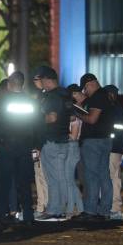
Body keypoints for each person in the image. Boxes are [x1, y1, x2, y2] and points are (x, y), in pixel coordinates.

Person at [0, 72, 39, 229]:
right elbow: (36, 126)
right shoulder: (31, 102)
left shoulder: (2, 102)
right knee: (24, 183)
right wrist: (36, 145)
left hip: (7, 146)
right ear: (22, 84)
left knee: (4, 183)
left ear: (10, 84)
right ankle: (28, 217)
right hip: (24, 146)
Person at [74, 73, 114, 222]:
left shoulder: (98, 97)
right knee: (104, 176)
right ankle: (105, 211)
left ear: (90, 84)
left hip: (93, 142)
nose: (85, 92)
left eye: (85, 89)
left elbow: (91, 119)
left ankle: (90, 210)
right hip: (104, 140)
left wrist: (77, 114)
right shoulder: (106, 96)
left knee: (91, 177)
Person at [35, 67, 72, 221]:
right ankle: (60, 210)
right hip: (63, 139)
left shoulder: (52, 96)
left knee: (52, 178)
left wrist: (36, 120)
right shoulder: (65, 95)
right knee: (61, 177)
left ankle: (53, 211)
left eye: (41, 80)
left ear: (47, 79)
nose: (41, 83)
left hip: (52, 140)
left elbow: (52, 118)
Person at [105, 85, 123, 220]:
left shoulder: (114, 109)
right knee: (110, 178)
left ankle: (115, 209)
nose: (112, 96)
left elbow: (116, 130)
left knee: (113, 178)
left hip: (113, 148)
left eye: (113, 93)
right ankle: (110, 208)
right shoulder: (116, 108)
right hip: (113, 148)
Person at [31, 70, 49, 214]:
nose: (34, 82)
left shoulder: (45, 97)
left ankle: (45, 206)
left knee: (43, 176)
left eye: (37, 79)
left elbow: (40, 124)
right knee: (39, 175)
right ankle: (42, 206)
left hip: (43, 143)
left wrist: (38, 144)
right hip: (40, 142)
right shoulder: (40, 97)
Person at [65, 84, 85, 217]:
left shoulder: (75, 115)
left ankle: (73, 208)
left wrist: (60, 133)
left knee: (69, 180)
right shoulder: (74, 114)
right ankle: (76, 208)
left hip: (72, 148)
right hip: (71, 148)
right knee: (69, 180)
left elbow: (73, 136)